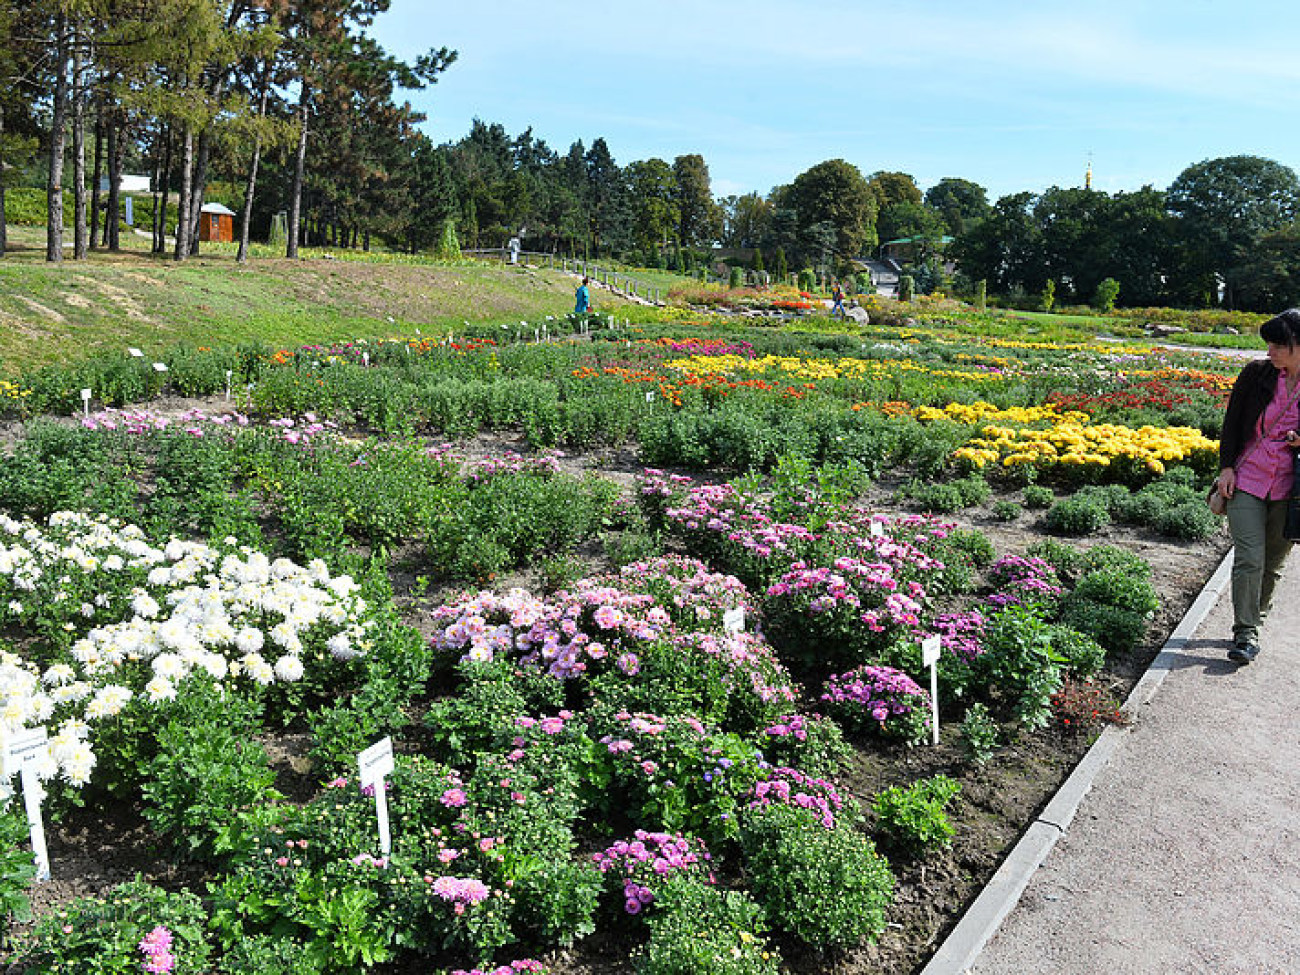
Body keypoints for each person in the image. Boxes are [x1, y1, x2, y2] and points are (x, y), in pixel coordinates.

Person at [1213, 307, 1300, 664]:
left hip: (1291, 488)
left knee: (1273, 562)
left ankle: (1255, 622)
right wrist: (1227, 468)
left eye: (1278, 345)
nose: (1270, 352)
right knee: (1249, 557)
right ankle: (1245, 633)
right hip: (1247, 478)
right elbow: (1231, 423)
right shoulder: (1257, 374)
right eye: (1268, 345)